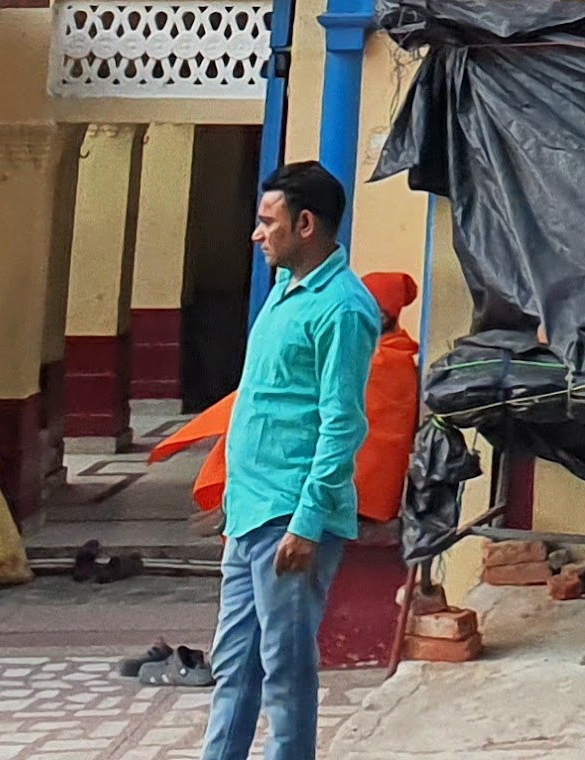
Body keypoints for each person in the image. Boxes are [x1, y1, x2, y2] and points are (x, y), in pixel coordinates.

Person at [203, 161, 382, 760]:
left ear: (305, 224)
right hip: (249, 514)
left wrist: (307, 523)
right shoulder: (285, 288)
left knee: (284, 671)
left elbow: (342, 424)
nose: (257, 234)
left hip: (291, 518)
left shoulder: (343, 308)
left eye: (267, 221)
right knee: (234, 665)